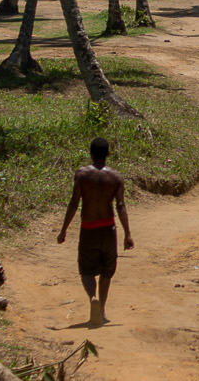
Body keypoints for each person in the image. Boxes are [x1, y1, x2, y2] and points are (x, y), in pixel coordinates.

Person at [57, 136, 133, 328]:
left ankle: (92, 297)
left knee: (86, 269)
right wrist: (127, 234)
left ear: (91, 153)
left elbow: (74, 203)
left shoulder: (82, 174)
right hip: (108, 229)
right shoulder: (116, 177)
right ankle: (102, 308)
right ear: (108, 154)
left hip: (88, 228)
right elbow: (121, 206)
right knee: (108, 270)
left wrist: (64, 229)